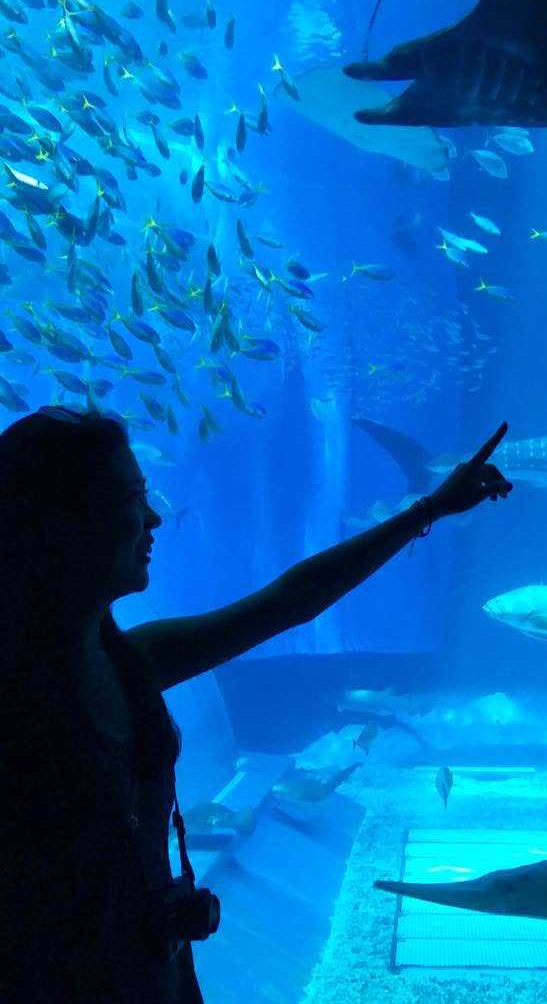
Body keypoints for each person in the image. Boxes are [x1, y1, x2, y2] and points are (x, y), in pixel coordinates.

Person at [0, 405, 511, 1003]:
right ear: (61, 522)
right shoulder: (23, 699)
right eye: (130, 498)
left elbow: (292, 601)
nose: (154, 516)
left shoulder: (128, 663)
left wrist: (430, 509)